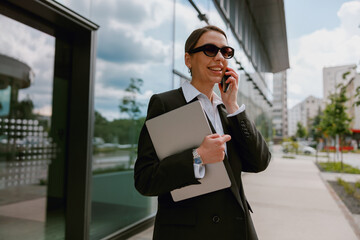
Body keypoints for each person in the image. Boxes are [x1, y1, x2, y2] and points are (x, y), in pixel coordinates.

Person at [134, 25, 271, 240]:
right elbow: (145, 179)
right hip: (187, 233)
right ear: (188, 60)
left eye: (225, 52)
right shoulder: (166, 103)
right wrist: (198, 158)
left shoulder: (229, 111)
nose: (219, 57)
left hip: (235, 230)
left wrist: (233, 106)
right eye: (210, 50)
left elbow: (260, 162)